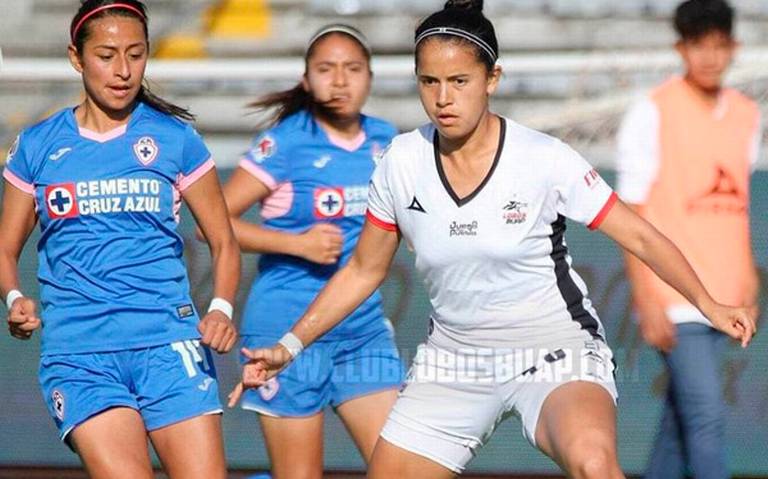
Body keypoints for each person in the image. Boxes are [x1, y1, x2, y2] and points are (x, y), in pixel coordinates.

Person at [229, 1, 756, 477]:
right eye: (429, 81)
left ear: (493, 78)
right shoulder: (400, 161)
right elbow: (364, 270)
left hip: (555, 350)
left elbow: (639, 234)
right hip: (453, 360)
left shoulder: (543, 158)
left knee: (594, 462)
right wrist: (289, 345)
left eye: (459, 81)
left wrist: (707, 303)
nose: (443, 97)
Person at [0, 1, 240, 478]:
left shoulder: (175, 139)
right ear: (76, 58)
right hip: (80, 356)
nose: (123, 70)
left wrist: (221, 309)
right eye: (107, 55)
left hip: (167, 345)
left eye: (136, 54)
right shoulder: (38, 145)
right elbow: (6, 249)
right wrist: (13, 297)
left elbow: (224, 241)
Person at [222, 24, 403, 478]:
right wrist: (295, 243)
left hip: (361, 330)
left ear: (370, 77)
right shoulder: (286, 143)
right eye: (326, 69)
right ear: (307, 80)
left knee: (403, 468)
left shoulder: (388, 140)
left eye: (352, 69)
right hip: (283, 326)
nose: (340, 81)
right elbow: (216, 222)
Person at [616, 1, 761, 478]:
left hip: (729, 299)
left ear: (733, 47)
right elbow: (631, 214)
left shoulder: (746, 115)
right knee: (707, 417)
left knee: (680, 425)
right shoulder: (652, 112)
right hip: (677, 299)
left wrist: (749, 287)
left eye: (720, 45)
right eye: (699, 45)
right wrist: (647, 299)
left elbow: (735, 210)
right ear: (681, 48)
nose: (710, 57)